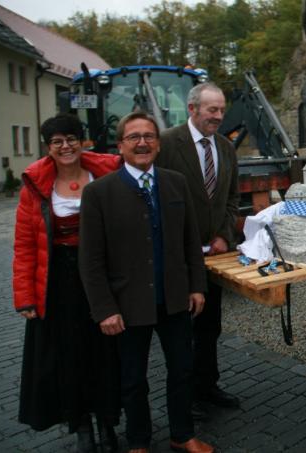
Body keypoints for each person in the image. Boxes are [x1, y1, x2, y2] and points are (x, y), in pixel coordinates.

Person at [79, 112, 214, 453]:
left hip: (174, 299)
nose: (142, 142)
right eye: (134, 137)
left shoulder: (175, 182)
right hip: (127, 305)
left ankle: (182, 435)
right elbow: (91, 260)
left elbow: (190, 241)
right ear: (121, 145)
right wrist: (104, 309)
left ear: (158, 142)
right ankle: (138, 441)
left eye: (149, 136)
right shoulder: (98, 193)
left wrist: (197, 286)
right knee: (133, 379)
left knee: (182, 371)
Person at [12, 114, 121, 453]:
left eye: (71, 138)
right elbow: (25, 244)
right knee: (69, 358)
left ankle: (108, 422)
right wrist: (26, 297)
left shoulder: (106, 173)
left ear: (82, 141)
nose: (66, 146)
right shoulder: (35, 184)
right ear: (48, 148)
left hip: (101, 276)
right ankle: (81, 426)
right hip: (57, 282)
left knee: (105, 353)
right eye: (57, 141)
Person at [157, 82, 241, 418]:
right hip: (178, 255)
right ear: (192, 109)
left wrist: (223, 235)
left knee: (210, 327)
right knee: (182, 331)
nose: (219, 116)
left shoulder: (226, 147)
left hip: (214, 255)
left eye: (222, 110)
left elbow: (232, 198)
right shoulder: (165, 144)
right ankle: (185, 397)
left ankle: (208, 385)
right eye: (212, 110)